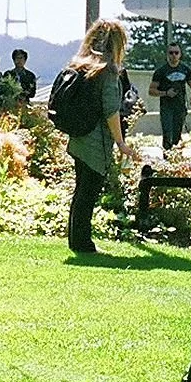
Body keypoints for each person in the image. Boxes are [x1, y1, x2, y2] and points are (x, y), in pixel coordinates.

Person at [64, 19, 142, 254]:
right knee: (88, 192)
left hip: (79, 137)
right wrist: (120, 143)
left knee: (81, 192)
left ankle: (77, 241)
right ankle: (83, 244)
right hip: (95, 141)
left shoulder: (83, 66)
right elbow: (111, 110)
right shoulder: (107, 71)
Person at [149, 44, 191, 151]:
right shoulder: (161, 71)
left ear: (180, 54)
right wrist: (165, 93)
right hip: (166, 107)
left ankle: (176, 158)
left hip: (180, 107)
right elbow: (151, 91)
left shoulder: (185, 69)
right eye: (171, 53)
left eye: (176, 53)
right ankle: (167, 158)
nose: (174, 55)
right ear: (167, 54)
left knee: (177, 134)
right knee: (167, 133)